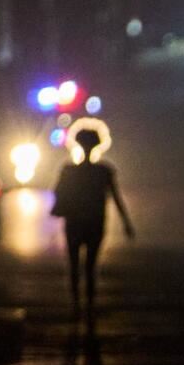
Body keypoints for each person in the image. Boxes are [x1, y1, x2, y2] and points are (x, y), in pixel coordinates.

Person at [51, 128, 135, 313]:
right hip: (95, 222)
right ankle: (89, 304)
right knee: (91, 266)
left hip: (74, 222)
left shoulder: (68, 171)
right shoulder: (104, 172)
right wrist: (126, 223)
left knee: (74, 264)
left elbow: (58, 193)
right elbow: (116, 198)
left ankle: (76, 304)